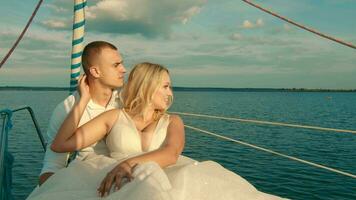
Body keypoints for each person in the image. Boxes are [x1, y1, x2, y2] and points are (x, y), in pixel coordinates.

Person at [29, 62, 285, 200]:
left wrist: (129, 164)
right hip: (115, 184)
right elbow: (60, 145)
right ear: (147, 86)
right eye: (165, 86)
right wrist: (83, 98)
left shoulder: (174, 121)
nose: (170, 93)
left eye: (170, 87)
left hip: (167, 180)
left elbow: (171, 153)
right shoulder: (114, 117)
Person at [38, 41, 126, 185]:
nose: (124, 70)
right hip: (86, 177)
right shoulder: (67, 108)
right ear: (95, 71)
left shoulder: (127, 102)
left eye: (121, 63)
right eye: (116, 65)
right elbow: (53, 164)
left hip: (124, 173)